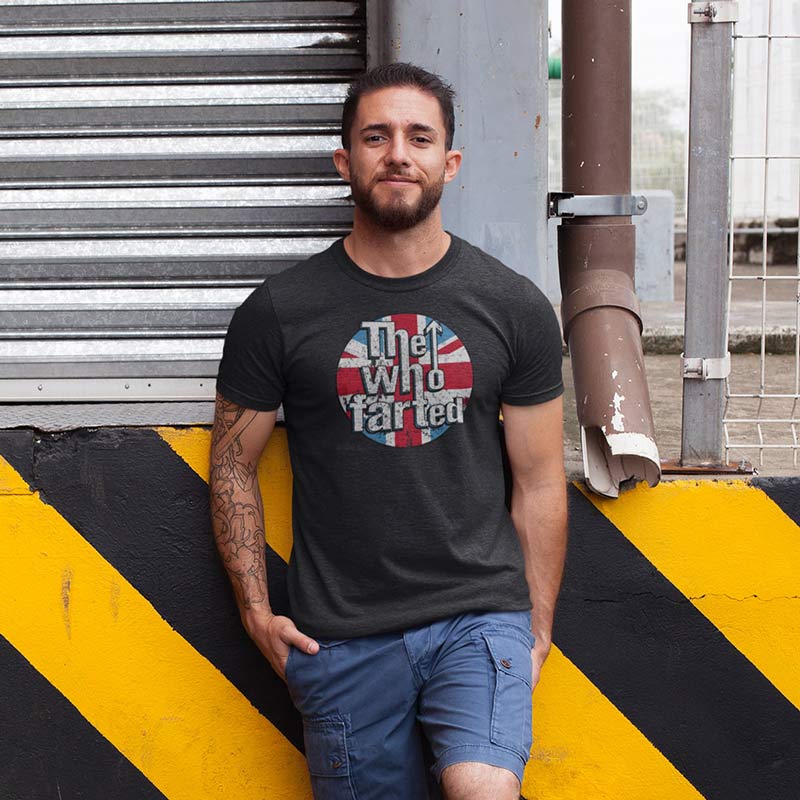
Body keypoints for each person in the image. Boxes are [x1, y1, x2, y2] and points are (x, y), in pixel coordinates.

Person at [210, 62, 567, 800]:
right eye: (376, 136)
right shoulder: (277, 313)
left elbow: (538, 478)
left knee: (483, 787)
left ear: (450, 162)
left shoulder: (513, 306)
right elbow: (232, 465)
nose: (398, 153)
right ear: (346, 160)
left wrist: (534, 627)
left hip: (479, 615)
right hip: (340, 636)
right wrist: (254, 612)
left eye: (419, 137)